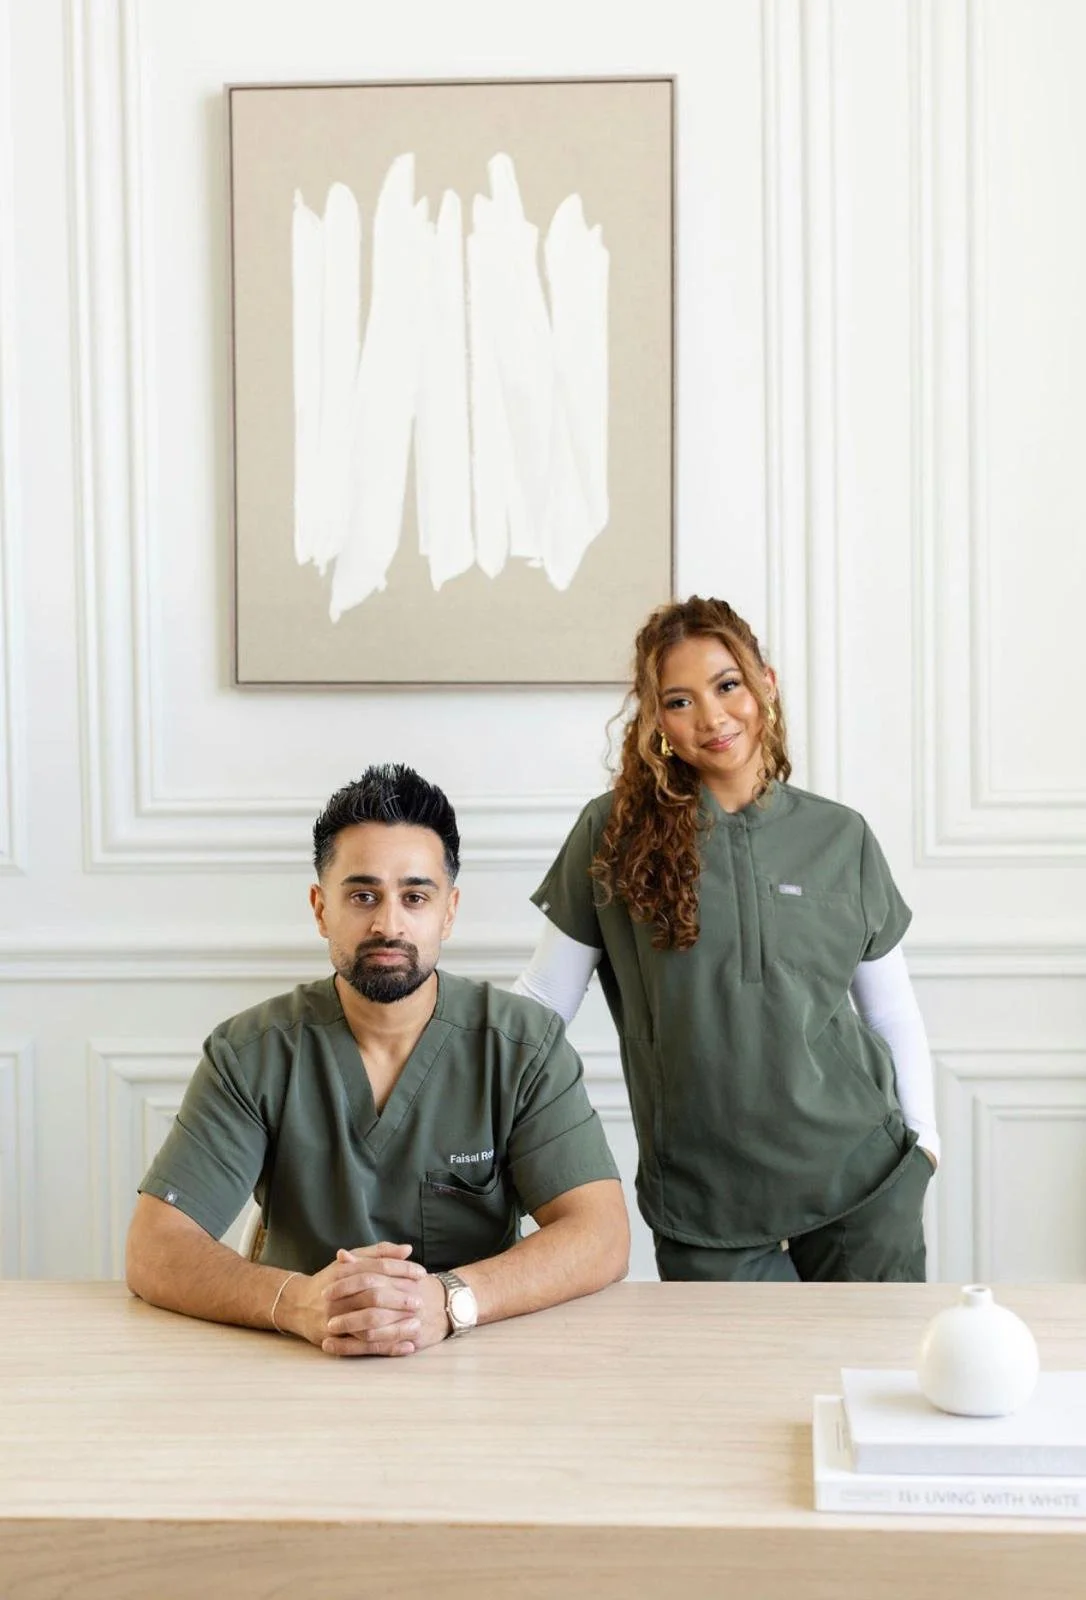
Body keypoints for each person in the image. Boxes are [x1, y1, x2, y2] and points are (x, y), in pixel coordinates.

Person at [127, 765, 629, 1356]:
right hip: (294, 1360)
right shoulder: (251, 1052)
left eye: (415, 897)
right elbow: (155, 1247)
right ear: (320, 908)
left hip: (480, 1357)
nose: (389, 924)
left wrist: (448, 1301)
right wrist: (298, 1302)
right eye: (362, 896)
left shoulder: (522, 1047)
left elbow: (601, 1233)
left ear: (448, 911)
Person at [515, 596, 939, 1283]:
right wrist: (465, 1097)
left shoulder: (842, 835)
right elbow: (543, 1000)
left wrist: (925, 1145)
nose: (711, 718)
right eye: (679, 701)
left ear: (764, 684)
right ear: (656, 720)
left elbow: (891, 1011)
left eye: (727, 685)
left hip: (864, 1184)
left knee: (874, 1357)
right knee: (734, 1362)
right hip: (704, 1202)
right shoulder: (613, 834)